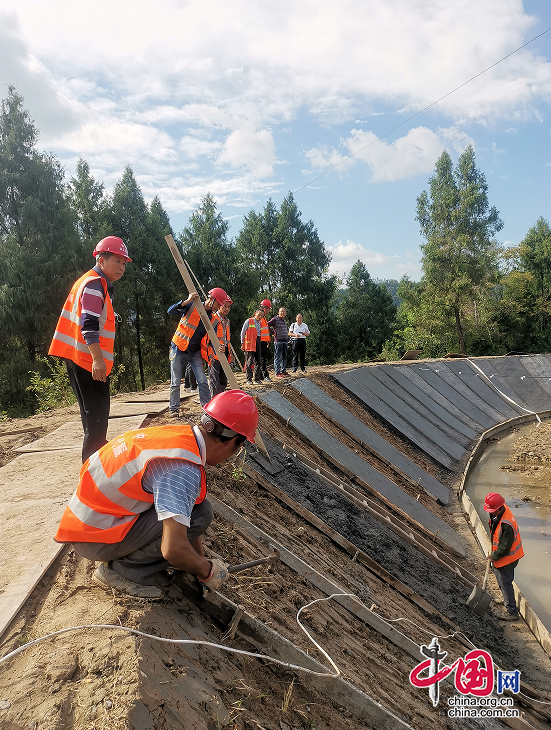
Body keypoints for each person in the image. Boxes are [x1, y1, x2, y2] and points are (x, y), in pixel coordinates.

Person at [54, 390, 258, 600]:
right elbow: (173, 549)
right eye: (238, 448)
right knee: (201, 515)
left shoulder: (180, 438)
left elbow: (186, 514)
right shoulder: (183, 470)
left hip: (89, 521)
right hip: (93, 538)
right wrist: (208, 571)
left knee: (198, 510)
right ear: (230, 441)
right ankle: (122, 572)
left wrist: (198, 560)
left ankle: (133, 559)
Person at [48, 236, 131, 463]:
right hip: (88, 361)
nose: (122, 267)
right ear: (101, 260)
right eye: (118, 261)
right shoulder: (95, 284)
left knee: (91, 420)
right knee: (97, 421)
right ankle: (92, 475)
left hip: (77, 358)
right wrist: (98, 360)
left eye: (124, 263)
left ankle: (94, 468)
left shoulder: (89, 281)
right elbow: (89, 325)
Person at [168, 288, 230, 415]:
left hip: (194, 352)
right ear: (211, 300)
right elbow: (170, 311)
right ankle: (173, 409)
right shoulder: (191, 305)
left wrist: (220, 347)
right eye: (218, 304)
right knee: (175, 382)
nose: (219, 307)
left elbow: (212, 339)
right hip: (178, 348)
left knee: (202, 381)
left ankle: (206, 408)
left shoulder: (213, 320)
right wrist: (186, 301)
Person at [484, 492, 524, 621]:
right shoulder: (499, 510)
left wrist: (493, 556)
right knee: (501, 581)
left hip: (508, 558)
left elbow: (504, 548)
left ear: (500, 508)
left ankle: (512, 612)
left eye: (493, 510)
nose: (491, 512)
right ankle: (506, 598)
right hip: (501, 556)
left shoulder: (507, 524)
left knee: (505, 582)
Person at [202, 297, 233, 397]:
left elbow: (226, 339)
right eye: (225, 306)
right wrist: (213, 349)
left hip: (224, 354)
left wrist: (230, 352)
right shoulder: (213, 318)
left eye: (229, 307)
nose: (227, 309)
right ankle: (215, 401)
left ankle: (221, 400)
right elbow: (208, 337)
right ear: (219, 305)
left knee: (223, 379)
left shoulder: (226, 321)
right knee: (215, 380)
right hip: (214, 354)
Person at [241, 309, 264, 385]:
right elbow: (243, 332)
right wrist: (242, 343)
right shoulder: (249, 321)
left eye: (262, 316)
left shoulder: (260, 323)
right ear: (255, 313)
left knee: (258, 361)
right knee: (249, 362)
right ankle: (249, 379)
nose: (260, 317)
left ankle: (257, 379)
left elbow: (259, 334)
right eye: (259, 315)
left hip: (257, 341)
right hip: (250, 343)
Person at [267, 307, 289, 378]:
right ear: (278, 312)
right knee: (278, 357)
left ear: (285, 313)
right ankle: (277, 372)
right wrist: (272, 332)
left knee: (284, 357)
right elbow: (267, 325)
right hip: (278, 341)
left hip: (285, 341)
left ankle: (283, 370)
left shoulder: (284, 320)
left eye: (284, 312)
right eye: (281, 311)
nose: (282, 313)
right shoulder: (275, 319)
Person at [259, 299, 272, 381]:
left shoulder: (263, 318)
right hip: (259, 341)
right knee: (261, 359)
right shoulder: (259, 317)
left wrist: (266, 341)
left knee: (262, 358)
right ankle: (265, 375)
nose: (268, 311)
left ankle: (261, 376)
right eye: (268, 309)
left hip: (263, 341)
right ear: (265, 308)